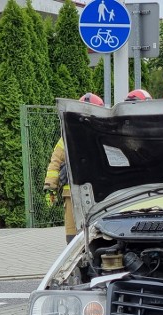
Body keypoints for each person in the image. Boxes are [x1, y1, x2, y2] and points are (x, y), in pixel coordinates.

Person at [44, 92, 104, 244]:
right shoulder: (67, 136)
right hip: (71, 193)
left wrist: (72, 167)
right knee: (72, 236)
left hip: (97, 193)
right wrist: (50, 186)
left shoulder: (104, 136)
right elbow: (55, 161)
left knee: (98, 231)